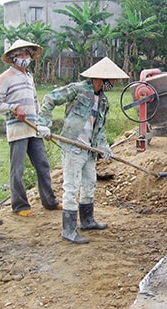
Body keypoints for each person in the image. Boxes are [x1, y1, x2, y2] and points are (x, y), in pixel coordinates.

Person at [36, 57, 129, 244]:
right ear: (101, 78)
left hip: (89, 148)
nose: (114, 84)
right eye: (112, 80)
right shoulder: (77, 90)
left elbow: (99, 129)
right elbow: (49, 99)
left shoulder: (103, 101)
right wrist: (43, 124)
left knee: (90, 184)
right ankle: (68, 230)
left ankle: (87, 220)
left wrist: (104, 147)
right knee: (72, 187)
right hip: (73, 146)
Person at [0, 39, 61, 217]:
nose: (25, 57)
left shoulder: (29, 77)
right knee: (18, 169)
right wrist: (14, 108)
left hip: (33, 129)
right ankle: (20, 206)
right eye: (22, 54)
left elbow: (35, 103)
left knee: (43, 165)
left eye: (28, 54)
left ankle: (49, 201)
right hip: (18, 131)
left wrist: (41, 124)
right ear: (14, 57)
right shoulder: (5, 78)